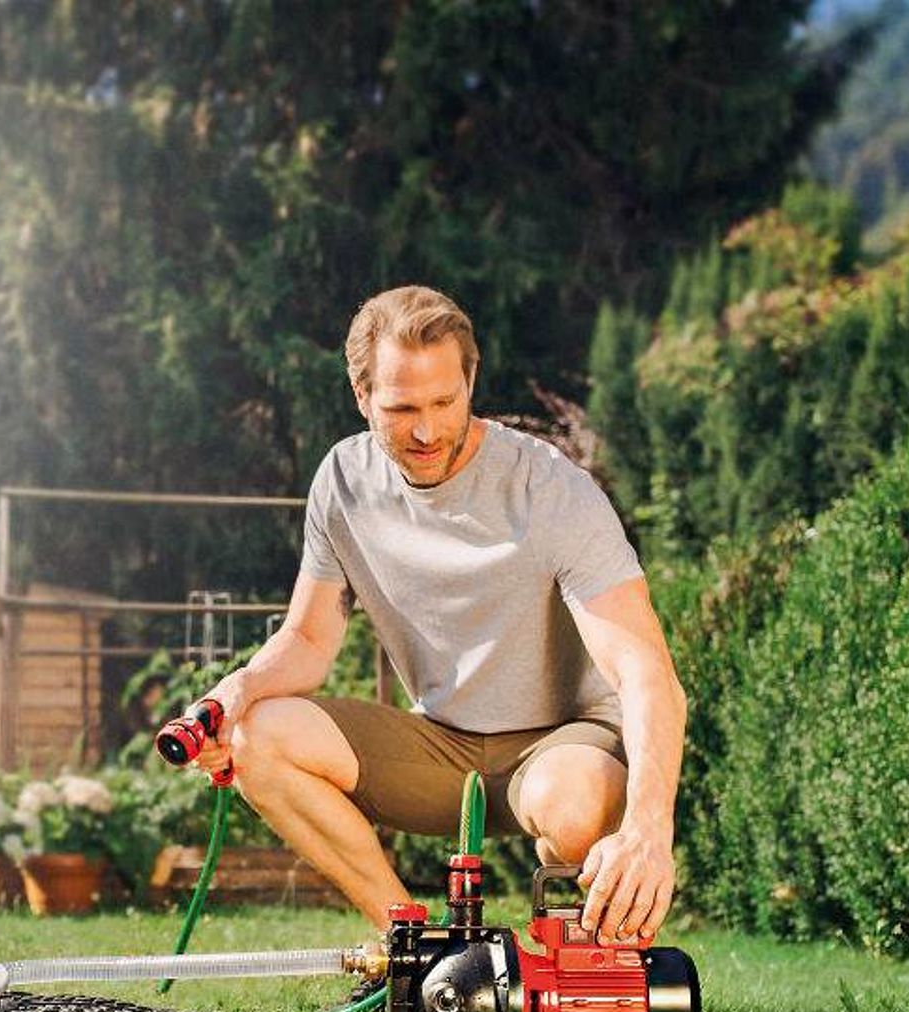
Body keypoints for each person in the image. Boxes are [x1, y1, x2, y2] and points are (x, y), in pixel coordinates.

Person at [188, 285, 685, 950]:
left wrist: (650, 828)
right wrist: (239, 691)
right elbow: (308, 638)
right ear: (363, 397)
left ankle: (582, 953)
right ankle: (414, 946)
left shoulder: (549, 489)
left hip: (562, 745)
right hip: (442, 748)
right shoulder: (344, 484)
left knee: (577, 799)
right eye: (401, 409)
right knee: (258, 736)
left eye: (445, 403)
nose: (426, 431)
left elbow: (644, 670)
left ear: (470, 379)